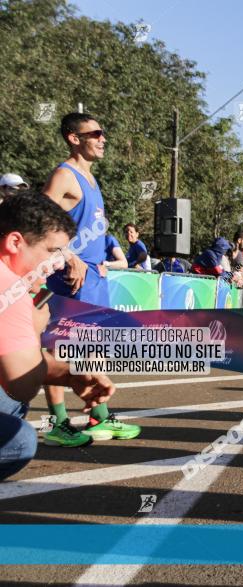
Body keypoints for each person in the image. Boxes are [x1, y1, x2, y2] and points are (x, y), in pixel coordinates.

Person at [0, 193, 116, 478]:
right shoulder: (10, 288)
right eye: (53, 251)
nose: (58, 264)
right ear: (15, 242)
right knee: (17, 438)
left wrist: (68, 374)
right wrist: (33, 329)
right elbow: (22, 386)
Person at [41, 112, 140, 445]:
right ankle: (59, 422)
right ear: (73, 138)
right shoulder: (65, 175)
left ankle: (98, 417)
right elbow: (37, 219)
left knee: (90, 350)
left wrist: (97, 261)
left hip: (93, 277)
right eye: (95, 133)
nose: (103, 138)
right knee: (61, 349)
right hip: (72, 278)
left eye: (103, 133)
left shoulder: (91, 179)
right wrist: (69, 255)